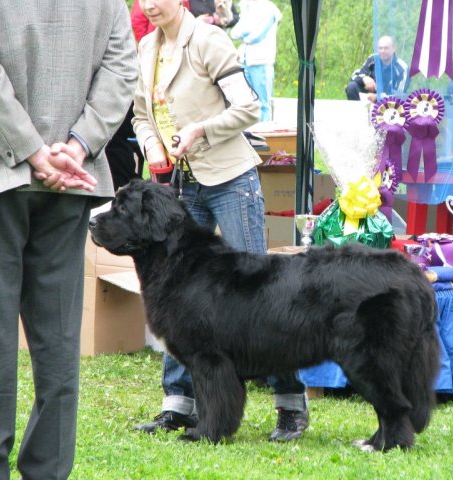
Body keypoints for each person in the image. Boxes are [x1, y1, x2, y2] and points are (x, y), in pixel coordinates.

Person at [0, 0, 137, 478]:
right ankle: (47, 472)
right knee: (59, 344)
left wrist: (33, 152)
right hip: (72, 178)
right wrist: (79, 144)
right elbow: (121, 69)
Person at [132, 0, 309, 442]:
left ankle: (290, 403)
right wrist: (152, 142)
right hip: (182, 185)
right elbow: (139, 114)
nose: (149, 5)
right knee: (174, 295)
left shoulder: (208, 39)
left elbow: (249, 106)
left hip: (230, 179)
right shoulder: (146, 47)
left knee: (259, 294)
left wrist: (201, 130)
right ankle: (180, 404)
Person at [231, 0, 283, 122]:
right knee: (247, 102)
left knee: (263, 103)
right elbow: (235, 33)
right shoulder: (247, 7)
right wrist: (247, 30)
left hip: (261, 61)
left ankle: (265, 132)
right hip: (245, 60)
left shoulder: (270, 9)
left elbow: (256, 36)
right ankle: (250, 132)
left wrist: (246, 32)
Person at [345, 35, 410, 102]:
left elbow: (400, 95)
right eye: (380, 48)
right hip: (369, 97)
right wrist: (364, 78)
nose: (382, 51)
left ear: (394, 49)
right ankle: (358, 112)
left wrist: (378, 97)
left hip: (389, 104)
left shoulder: (402, 68)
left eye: (386, 48)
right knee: (352, 87)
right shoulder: (373, 59)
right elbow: (354, 75)